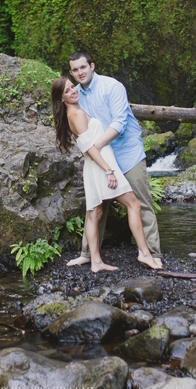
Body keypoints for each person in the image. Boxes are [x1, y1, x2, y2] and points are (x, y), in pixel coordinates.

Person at [51, 76, 162, 272]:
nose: (73, 91)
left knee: (95, 213)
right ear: (61, 98)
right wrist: (109, 170)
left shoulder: (74, 110)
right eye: (67, 91)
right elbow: (90, 147)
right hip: (102, 165)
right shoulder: (75, 114)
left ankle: (95, 262)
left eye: (72, 87)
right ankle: (145, 253)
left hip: (95, 166)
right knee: (133, 204)